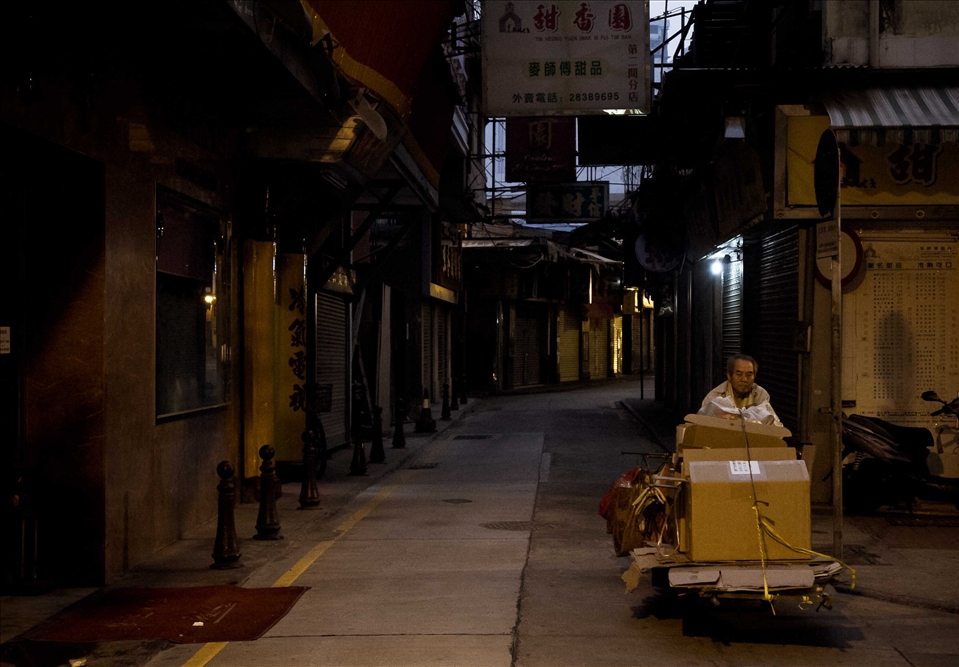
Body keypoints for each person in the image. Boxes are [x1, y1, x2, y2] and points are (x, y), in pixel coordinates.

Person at [698, 354, 782, 427]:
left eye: (749, 374)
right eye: (739, 374)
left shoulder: (760, 394)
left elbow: (769, 423)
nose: (744, 379)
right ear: (729, 376)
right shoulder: (714, 397)